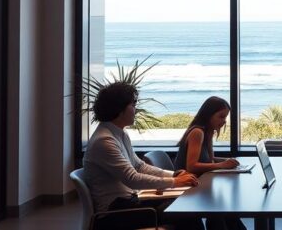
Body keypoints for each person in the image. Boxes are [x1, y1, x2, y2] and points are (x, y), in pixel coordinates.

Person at [82, 80, 202, 230]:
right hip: (115, 214)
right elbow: (133, 179)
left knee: (186, 206)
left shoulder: (119, 133)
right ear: (119, 109)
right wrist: (176, 182)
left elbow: (139, 166)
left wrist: (174, 175)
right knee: (186, 213)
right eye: (133, 105)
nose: (136, 110)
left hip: (129, 204)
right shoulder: (104, 141)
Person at [176, 96, 246, 230]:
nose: (224, 121)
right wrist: (222, 165)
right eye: (221, 116)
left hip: (199, 183)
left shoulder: (208, 131)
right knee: (222, 210)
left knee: (227, 212)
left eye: (225, 117)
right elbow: (191, 166)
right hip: (188, 187)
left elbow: (210, 159)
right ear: (209, 114)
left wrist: (226, 161)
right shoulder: (197, 132)